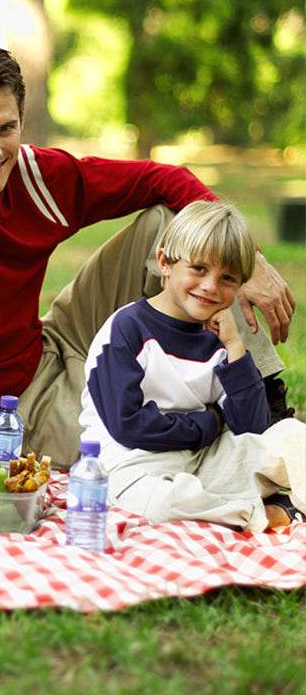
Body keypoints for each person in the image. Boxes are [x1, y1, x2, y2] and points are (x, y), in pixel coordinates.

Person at [0, 41, 296, 467]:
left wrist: (249, 261)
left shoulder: (35, 175)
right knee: (122, 448)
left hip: (51, 340)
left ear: (21, 120)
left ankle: (263, 402)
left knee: (175, 223)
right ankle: (216, 419)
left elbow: (163, 179)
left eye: (5, 129)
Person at [78, 201, 305, 530]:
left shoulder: (219, 339)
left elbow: (253, 428)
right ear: (164, 263)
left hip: (204, 460)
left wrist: (236, 348)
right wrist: (209, 425)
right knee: (161, 502)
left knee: (294, 438)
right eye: (199, 268)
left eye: (227, 277)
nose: (211, 286)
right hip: (134, 462)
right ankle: (265, 514)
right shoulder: (126, 330)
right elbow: (129, 426)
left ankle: (230, 502)